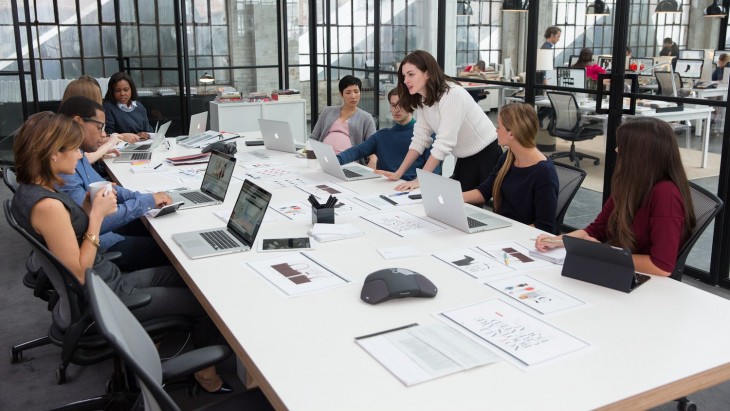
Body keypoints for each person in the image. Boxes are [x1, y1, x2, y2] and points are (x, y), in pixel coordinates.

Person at [11, 112, 231, 394]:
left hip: (108, 283)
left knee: (192, 280)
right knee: (206, 303)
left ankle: (151, 346)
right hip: (107, 299)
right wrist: (96, 218)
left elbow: (71, 242)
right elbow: (79, 271)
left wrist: (89, 206)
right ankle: (204, 376)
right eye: (74, 149)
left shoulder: (33, 191)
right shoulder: (48, 207)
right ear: (53, 154)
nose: (80, 157)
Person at [535, 117, 696, 276]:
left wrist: (604, 254)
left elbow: (661, 266)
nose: (617, 150)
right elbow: (595, 230)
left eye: (623, 145)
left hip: (645, 282)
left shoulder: (666, 195)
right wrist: (556, 241)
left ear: (640, 153)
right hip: (621, 271)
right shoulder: (631, 183)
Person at [57, 96, 173, 272]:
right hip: (102, 245)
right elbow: (96, 220)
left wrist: (143, 198)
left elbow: (104, 186)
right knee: (169, 248)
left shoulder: (76, 152)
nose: (103, 134)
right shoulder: (65, 167)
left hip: (105, 231)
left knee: (165, 224)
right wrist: (146, 202)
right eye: (99, 127)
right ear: (78, 122)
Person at [378, 50, 501, 192]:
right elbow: (420, 139)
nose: (406, 80)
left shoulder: (452, 94)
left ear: (427, 73)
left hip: (487, 154)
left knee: (470, 208)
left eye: (411, 74)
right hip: (465, 157)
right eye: (404, 76)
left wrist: (420, 179)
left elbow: (444, 143)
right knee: (455, 206)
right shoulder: (424, 99)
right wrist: (399, 173)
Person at [463, 103, 558, 233]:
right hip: (500, 228)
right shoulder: (508, 157)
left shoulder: (544, 173)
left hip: (518, 238)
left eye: (499, 127)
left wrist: (504, 233)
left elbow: (544, 227)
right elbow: (485, 191)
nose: (495, 130)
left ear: (511, 134)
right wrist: (455, 197)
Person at [336, 88, 437, 181]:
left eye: (401, 104)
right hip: (382, 185)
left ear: (411, 105)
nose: (397, 109)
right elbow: (357, 151)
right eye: (393, 105)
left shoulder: (426, 136)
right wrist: (337, 160)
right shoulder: (382, 135)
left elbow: (433, 172)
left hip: (410, 188)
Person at [309, 75, 376, 156]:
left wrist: (373, 160)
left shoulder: (367, 118)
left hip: (349, 160)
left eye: (356, 92)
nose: (353, 96)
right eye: (348, 92)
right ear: (341, 94)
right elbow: (314, 137)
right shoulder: (327, 111)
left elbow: (373, 146)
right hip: (322, 156)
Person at [103, 71, 151, 142]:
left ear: (132, 89)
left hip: (141, 143)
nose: (122, 93)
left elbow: (147, 129)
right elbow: (108, 134)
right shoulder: (108, 108)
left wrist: (145, 135)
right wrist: (125, 136)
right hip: (120, 147)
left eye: (126, 90)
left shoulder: (139, 107)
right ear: (112, 91)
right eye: (117, 90)